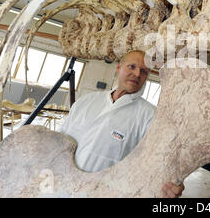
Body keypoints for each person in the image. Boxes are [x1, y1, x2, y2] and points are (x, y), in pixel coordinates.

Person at [59, 50, 184, 198]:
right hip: (63, 188)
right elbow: (60, 145)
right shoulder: (85, 102)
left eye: (144, 71)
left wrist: (172, 184)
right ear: (119, 68)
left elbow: (164, 162)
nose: (137, 74)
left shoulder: (151, 116)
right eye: (132, 66)